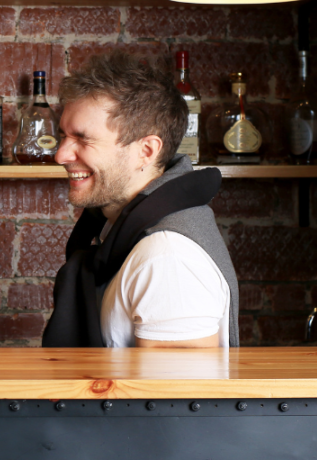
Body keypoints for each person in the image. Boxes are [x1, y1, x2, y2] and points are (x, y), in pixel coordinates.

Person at [42, 53, 239, 348]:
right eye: (63, 136)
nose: (61, 155)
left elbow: (178, 395)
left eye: (83, 139)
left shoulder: (168, 258)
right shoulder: (124, 228)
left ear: (146, 151)